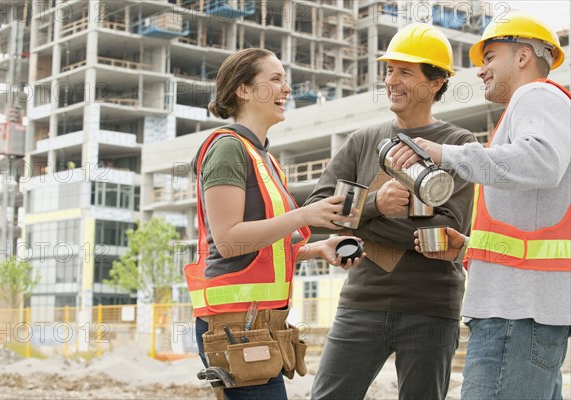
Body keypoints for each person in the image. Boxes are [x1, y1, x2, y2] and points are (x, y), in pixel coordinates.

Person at [392, 12, 571, 399]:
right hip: (524, 311)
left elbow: (542, 164)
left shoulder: (536, 94)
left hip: (517, 314)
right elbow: (535, 220)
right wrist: (472, 248)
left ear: (522, 56)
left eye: (489, 57)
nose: (481, 71)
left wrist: (446, 154)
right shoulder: (533, 106)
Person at [304, 24, 477, 399]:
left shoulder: (458, 145)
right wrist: (375, 204)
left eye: (404, 71)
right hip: (361, 303)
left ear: (436, 82)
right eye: (388, 70)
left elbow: (446, 232)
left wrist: (359, 222)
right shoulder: (363, 141)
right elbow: (315, 212)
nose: (391, 81)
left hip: (430, 308)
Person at [184, 48, 364, 400]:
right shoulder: (228, 149)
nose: (287, 89)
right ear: (244, 90)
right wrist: (303, 216)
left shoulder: (264, 156)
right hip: (235, 325)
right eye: (276, 79)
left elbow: (262, 252)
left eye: (286, 80)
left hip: (257, 325)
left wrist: (316, 249)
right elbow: (229, 242)